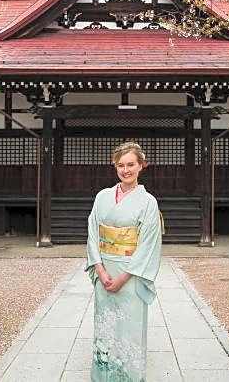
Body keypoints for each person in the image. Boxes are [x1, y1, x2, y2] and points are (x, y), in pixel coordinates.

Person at [86, 141, 163, 381]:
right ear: (115, 166)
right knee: (105, 326)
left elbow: (148, 244)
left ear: (142, 166)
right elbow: (93, 233)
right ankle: (104, 375)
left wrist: (123, 277)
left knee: (129, 327)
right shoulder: (102, 197)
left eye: (131, 164)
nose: (125, 170)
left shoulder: (148, 202)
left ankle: (129, 375)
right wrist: (99, 268)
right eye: (121, 165)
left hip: (129, 273)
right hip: (105, 270)